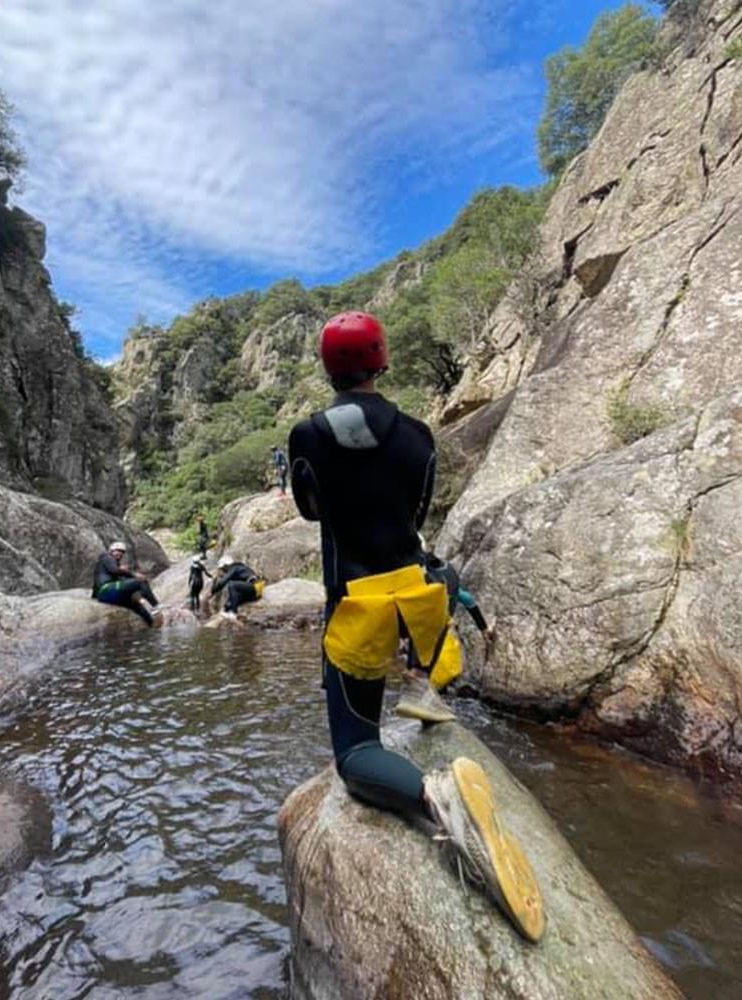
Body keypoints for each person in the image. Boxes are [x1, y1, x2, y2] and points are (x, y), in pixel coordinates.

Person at [288, 310, 543, 942]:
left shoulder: (307, 435)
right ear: (384, 361)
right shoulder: (422, 437)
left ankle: (438, 800)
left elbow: (309, 506)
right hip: (417, 596)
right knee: (432, 602)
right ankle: (426, 694)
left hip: (356, 604)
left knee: (355, 754)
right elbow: (416, 512)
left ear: (328, 368)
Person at [394, 546, 496, 716]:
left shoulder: (426, 581)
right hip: (433, 616)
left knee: (426, 653)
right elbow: (469, 600)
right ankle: (424, 692)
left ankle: (421, 690)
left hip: (424, 614)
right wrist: (484, 629)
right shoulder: (445, 580)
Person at [91, 541, 162, 627]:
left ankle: (152, 625)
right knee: (141, 581)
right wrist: (133, 574)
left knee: (137, 606)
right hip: (107, 589)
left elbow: (123, 580)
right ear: (111, 550)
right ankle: (156, 606)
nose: (120, 554)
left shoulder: (112, 565)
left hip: (109, 595)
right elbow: (115, 570)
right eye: (118, 551)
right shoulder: (107, 557)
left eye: (122, 552)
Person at [210, 554, 265, 618]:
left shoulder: (234, 567)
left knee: (231, 584)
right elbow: (235, 592)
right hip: (252, 592)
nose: (222, 570)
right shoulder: (237, 570)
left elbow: (223, 582)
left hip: (255, 586)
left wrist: (212, 592)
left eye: (222, 568)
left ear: (226, 565)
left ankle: (234, 613)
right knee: (229, 603)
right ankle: (228, 611)